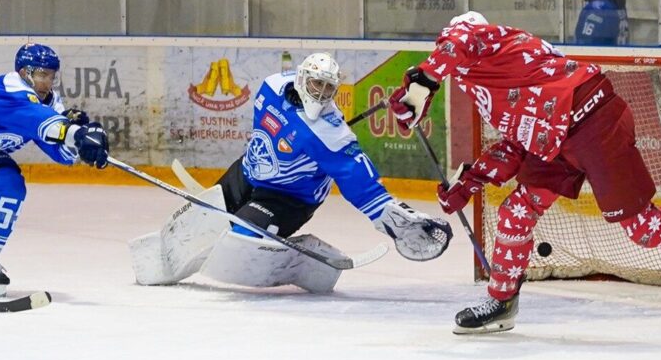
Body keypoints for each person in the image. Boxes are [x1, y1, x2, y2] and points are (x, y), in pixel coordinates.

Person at [388, 11, 661, 334]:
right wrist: (472, 179)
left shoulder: (490, 40)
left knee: (645, 229)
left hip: (591, 121)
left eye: (446, 44)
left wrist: (421, 86)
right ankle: (501, 302)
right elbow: (519, 142)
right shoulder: (488, 81)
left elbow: (458, 42)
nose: (446, 51)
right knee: (516, 213)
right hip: (555, 139)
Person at [129, 52, 452, 293]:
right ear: (301, 79)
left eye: (328, 88)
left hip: (288, 198)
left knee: (240, 244)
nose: (321, 93)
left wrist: (393, 217)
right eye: (316, 84)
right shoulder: (271, 86)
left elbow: (360, 181)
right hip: (246, 173)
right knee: (197, 222)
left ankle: (300, 262)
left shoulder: (331, 133)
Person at [0, 43, 110, 296]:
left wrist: (83, 143)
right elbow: (39, 121)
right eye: (42, 74)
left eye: (51, 76)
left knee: (11, 185)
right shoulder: (5, 89)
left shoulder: (50, 103)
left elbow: (62, 154)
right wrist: (75, 133)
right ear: (24, 72)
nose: (48, 82)